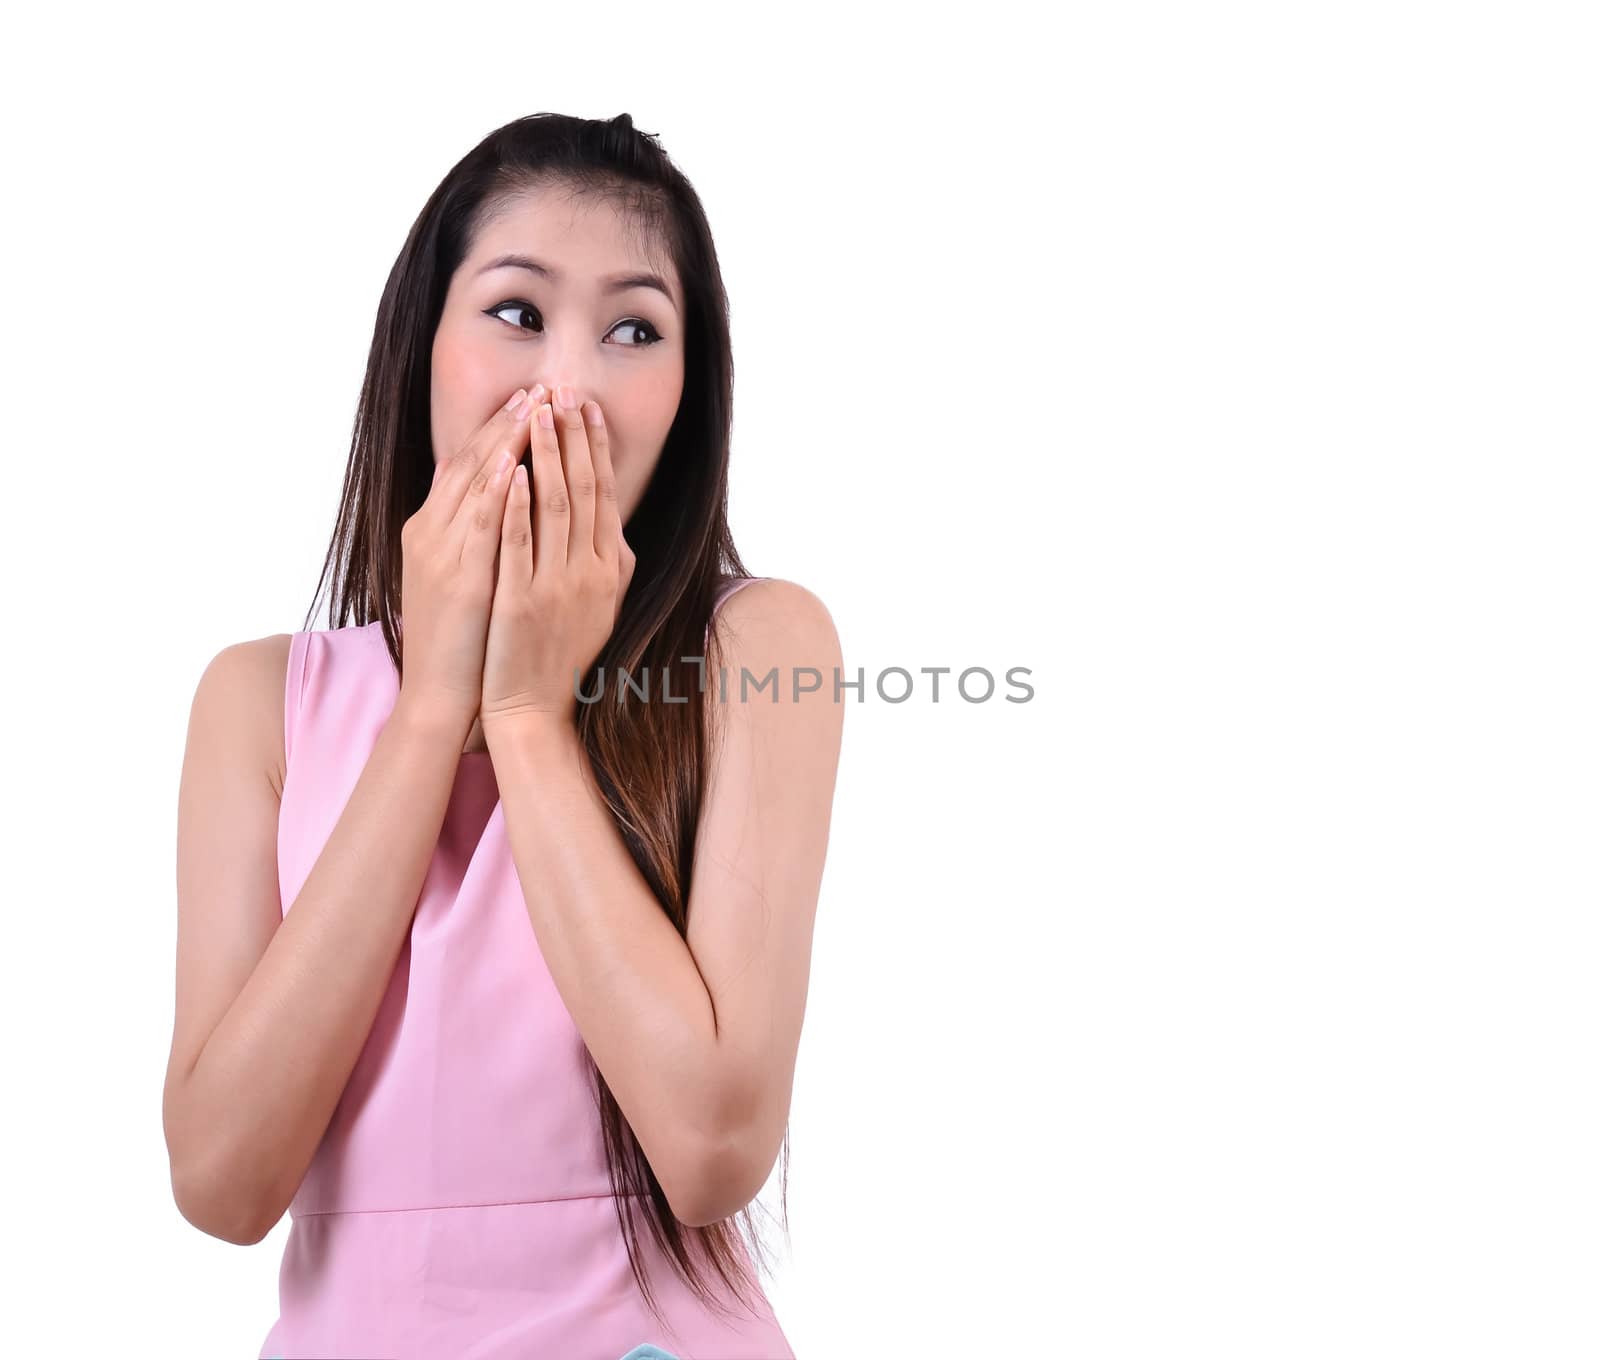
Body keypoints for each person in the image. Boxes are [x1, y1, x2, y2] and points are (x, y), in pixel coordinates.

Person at [162, 112, 843, 1360]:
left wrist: (527, 712)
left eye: (634, 329)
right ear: (422, 344)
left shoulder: (763, 647)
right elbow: (220, 1180)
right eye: (517, 312)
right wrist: (432, 713)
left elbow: (709, 1153)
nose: (565, 387)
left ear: (689, 396)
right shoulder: (259, 701)